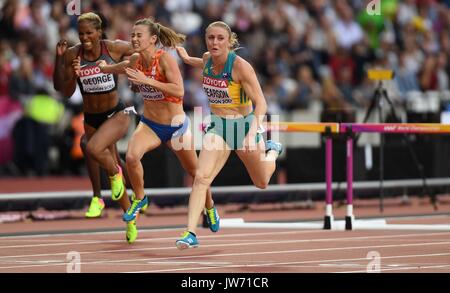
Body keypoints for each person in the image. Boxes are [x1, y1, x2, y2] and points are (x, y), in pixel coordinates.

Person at [97, 18, 217, 229]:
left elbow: (179, 91)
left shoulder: (165, 60)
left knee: (196, 174)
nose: (133, 39)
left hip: (176, 127)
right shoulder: (135, 59)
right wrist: (106, 69)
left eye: (138, 35)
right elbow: (125, 67)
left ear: (153, 39)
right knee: (132, 157)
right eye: (132, 35)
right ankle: (140, 198)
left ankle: (209, 207)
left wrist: (148, 81)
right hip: (150, 125)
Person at [174, 21, 282, 249]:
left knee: (261, 181)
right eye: (211, 38)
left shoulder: (241, 67)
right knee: (201, 177)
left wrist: (253, 131)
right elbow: (200, 62)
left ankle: (272, 151)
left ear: (229, 40)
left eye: (220, 38)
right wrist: (185, 58)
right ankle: (190, 233)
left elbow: (261, 103)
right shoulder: (206, 59)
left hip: (244, 127)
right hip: (219, 126)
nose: (214, 42)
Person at [53, 12, 141, 244]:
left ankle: (102, 192)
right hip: (91, 117)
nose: (85, 37)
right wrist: (63, 64)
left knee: (90, 147)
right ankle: (129, 216)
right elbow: (64, 90)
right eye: (81, 33)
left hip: (117, 113)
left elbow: (140, 57)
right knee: (100, 154)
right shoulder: (74, 53)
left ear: (99, 32)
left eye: (89, 33)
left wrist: (122, 69)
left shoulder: (113, 48)